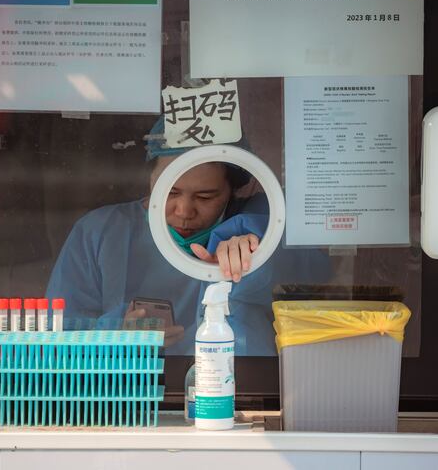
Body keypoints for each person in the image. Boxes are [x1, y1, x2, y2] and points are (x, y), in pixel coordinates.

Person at [46, 120, 330, 355]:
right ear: (149, 179)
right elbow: (58, 336)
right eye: (170, 191)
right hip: (126, 393)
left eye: (205, 196)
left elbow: (314, 276)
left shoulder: (260, 222)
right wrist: (115, 333)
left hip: (239, 390)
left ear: (233, 189)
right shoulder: (100, 231)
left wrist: (255, 251)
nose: (184, 211)